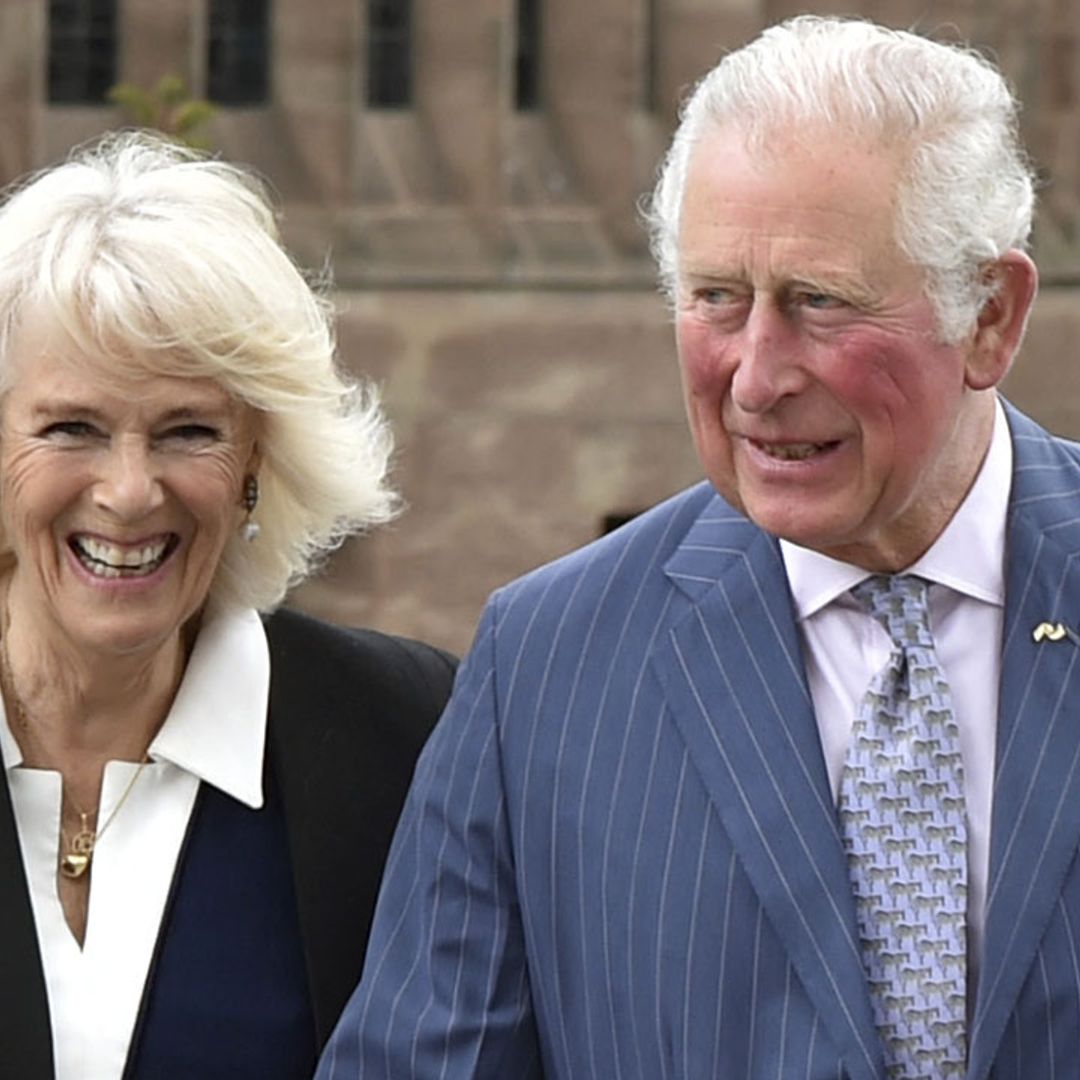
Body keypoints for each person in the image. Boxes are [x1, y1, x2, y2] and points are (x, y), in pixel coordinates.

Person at [316, 13, 1080, 1080]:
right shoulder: (546, 664)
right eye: (717, 298)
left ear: (991, 316)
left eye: (819, 303)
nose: (756, 378)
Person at [0, 130, 456, 1079]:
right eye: (72, 427)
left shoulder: (408, 741)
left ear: (258, 458)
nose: (129, 492)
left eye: (188, 431)